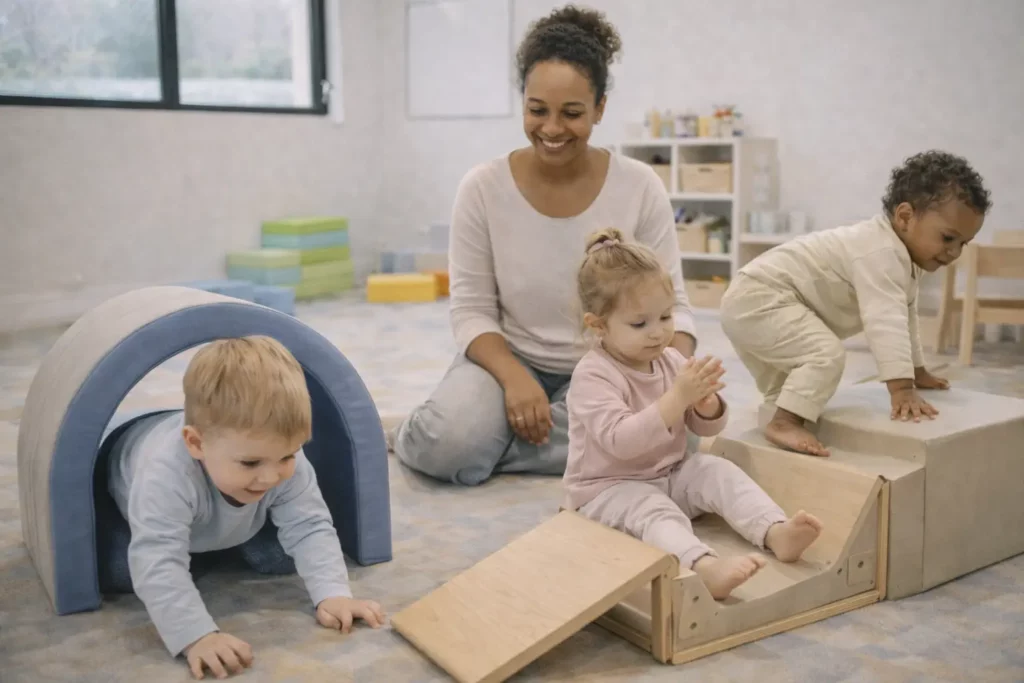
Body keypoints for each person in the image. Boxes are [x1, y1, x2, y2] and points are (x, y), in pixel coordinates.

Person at [392, 5, 698, 485]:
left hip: (619, 363)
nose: (552, 129)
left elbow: (676, 305)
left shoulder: (640, 186)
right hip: (511, 361)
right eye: (538, 110)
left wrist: (675, 383)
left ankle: (496, 447)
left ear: (599, 108)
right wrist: (515, 381)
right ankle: (442, 433)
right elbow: (470, 311)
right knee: (446, 445)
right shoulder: (482, 187)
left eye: (572, 113)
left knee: (684, 433)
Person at [563, 229, 823, 599]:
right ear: (598, 325)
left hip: (668, 474)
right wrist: (677, 397)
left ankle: (775, 531)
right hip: (608, 490)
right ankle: (703, 566)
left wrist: (705, 405)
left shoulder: (668, 359)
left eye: (666, 317)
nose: (658, 333)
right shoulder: (593, 375)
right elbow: (622, 442)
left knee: (715, 469)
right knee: (653, 510)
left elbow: (705, 426)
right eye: (640, 323)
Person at [106, 336, 384, 679]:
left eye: (287, 456)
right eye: (251, 462)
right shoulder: (165, 474)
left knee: (282, 557)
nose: (270, 476)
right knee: (122, 572)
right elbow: (156, 557)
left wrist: (334, 594)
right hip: (134, 494)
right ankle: (206, 548)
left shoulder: (277, 455)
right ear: (196, 443)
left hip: (216, 510)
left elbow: (311, 525)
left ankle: (213, 544)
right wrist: (196, 636)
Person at [719, 150, 991, 457]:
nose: (954, 252)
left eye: (963, 244)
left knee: (790, 384)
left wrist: (916, 370)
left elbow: (904, 317)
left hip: (750, 300)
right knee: (825, 355)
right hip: (762, 296)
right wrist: (901, 388)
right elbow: (885, 321)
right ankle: (784, 422)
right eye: (947, 238)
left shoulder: (899, 258)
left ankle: (780, 416)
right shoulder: (881, 254)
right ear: (904, 217)